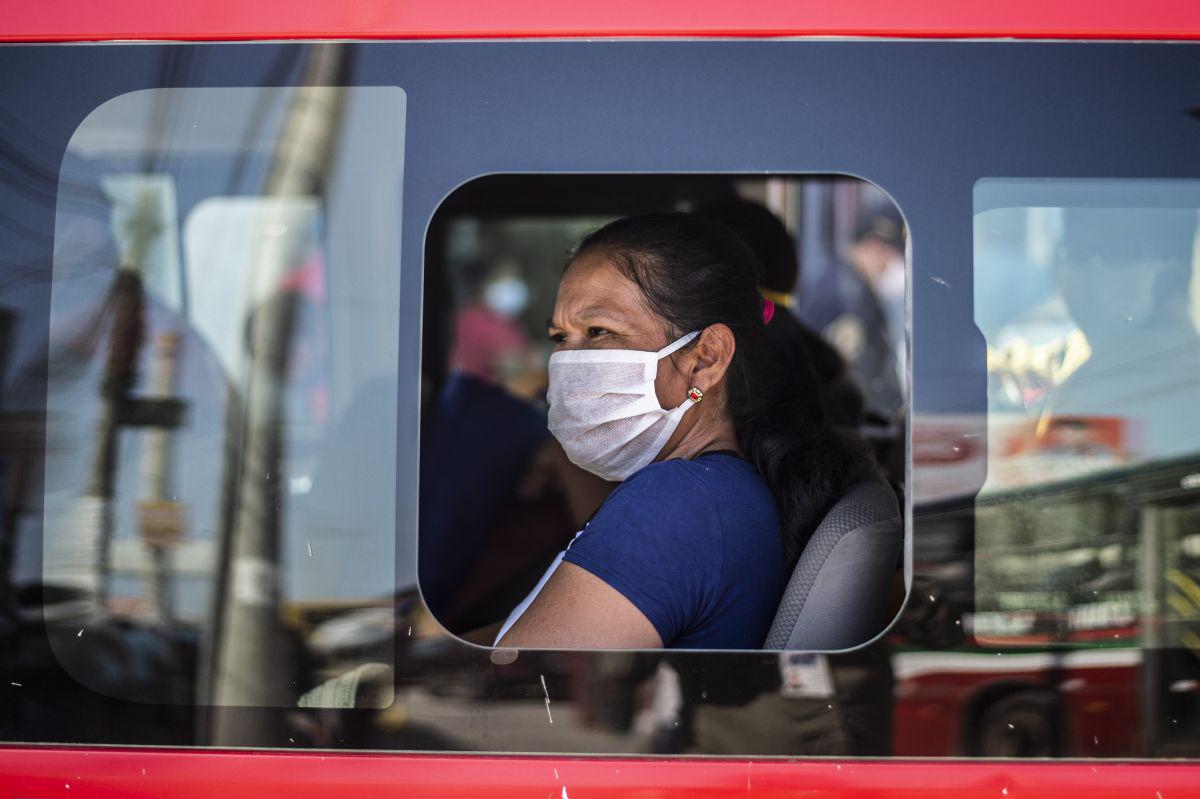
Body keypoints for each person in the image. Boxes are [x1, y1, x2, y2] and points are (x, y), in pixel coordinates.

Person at [496, 213, 874, 650]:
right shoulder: (714, 491)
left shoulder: (675, 503)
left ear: (706, 359)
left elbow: (526, 685)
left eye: (599, 331)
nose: (566, 363)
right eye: (560, 337)